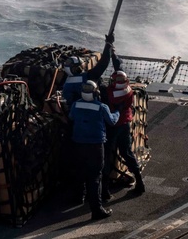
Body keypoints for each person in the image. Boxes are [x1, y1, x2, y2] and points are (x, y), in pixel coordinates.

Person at [69, 80, 118, 220]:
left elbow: (71, 117)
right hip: (95, 146)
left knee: (80, 171)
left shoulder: (75, 104)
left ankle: (79, 197)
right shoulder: (101, 107)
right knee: (95, 177)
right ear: (96, 93)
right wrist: (118, 112)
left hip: (78, 144)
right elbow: (112, 121)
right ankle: (97, 210)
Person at [102, 69, 145, 200]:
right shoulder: (129, 90)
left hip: (112, 127)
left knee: (106, 156)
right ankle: (139, 181)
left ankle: (104, 190)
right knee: (127, 152)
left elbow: (105, 99)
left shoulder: (108, 92)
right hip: (125, 125)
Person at [61, 33, 116, 106]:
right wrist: (108, 44)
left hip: (74, 110)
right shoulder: (87, 77)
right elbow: (103, 63)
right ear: (77, 69)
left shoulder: (66, 82)